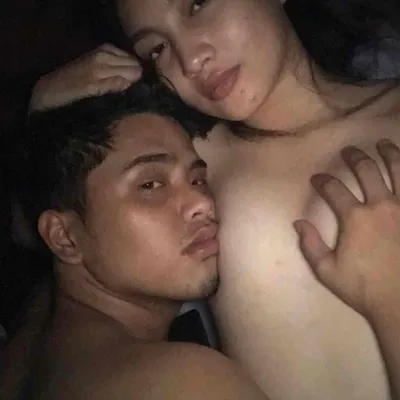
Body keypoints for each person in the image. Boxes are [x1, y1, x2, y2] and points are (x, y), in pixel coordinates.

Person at [25, 0, 400, 398]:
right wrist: (40, 110)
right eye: (157, 48)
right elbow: (56, 234)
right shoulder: (189, 159)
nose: (191, 60)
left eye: (197, 5)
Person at [0, 80, 268, 400]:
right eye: (150, 185)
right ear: (65, 237)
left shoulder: (30, 344)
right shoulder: (187, 382)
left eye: (198, 180)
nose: (203, 203)